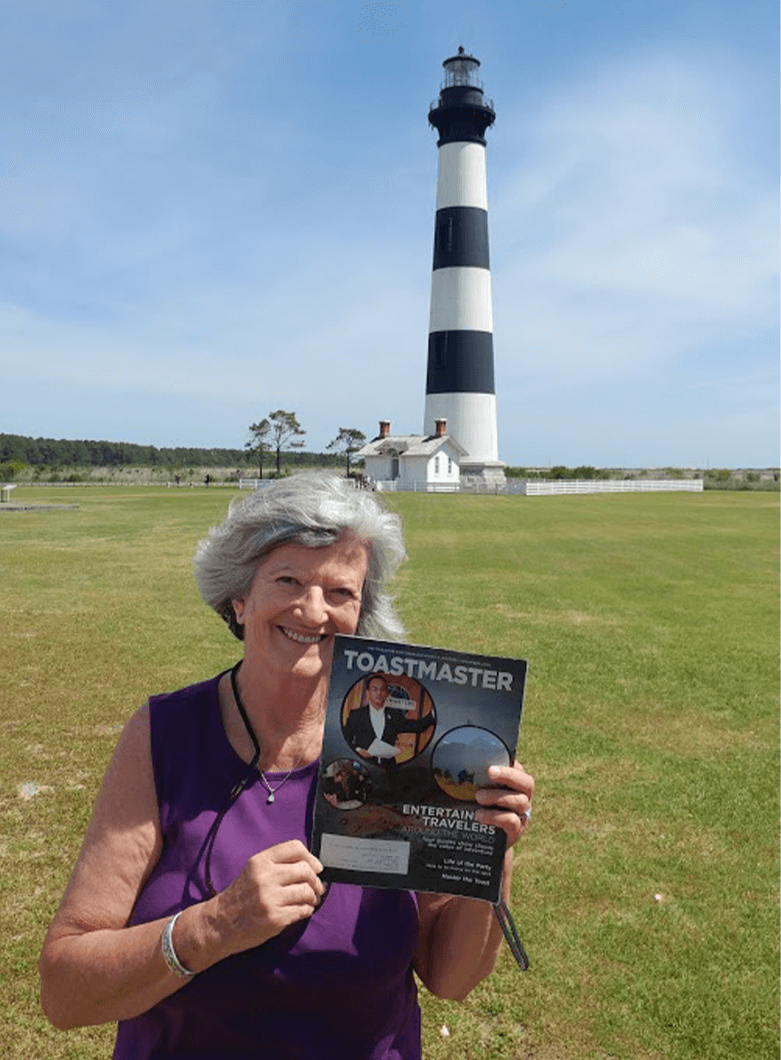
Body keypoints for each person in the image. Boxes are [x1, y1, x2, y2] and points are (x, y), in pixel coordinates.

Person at [38, 473, 534, 1060]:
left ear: (361, 614)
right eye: (288, 579)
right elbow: (64, 993)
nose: (313, 609)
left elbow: (450, 979)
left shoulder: (406, 747)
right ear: (239, 598)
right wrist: (215, 926)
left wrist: (487, 857)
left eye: (341, 592)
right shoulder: (164, 735)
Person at [344, 673, 435, 765]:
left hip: (388, 768)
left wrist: (433, 714)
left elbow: (417, 726)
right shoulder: (356, 715)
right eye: (375, 689)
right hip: (364, 765)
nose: (379, 693)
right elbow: (345, 736)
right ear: (368, 693)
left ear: (387, 693)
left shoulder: (395, 715)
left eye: (382, 689)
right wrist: (358, 750)